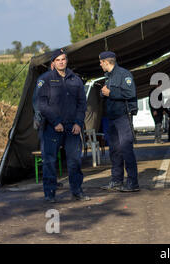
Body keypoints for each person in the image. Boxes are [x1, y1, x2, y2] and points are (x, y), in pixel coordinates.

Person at [37, 49, 89, 203]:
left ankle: (77, 191)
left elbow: (82, 104)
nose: (61, 62)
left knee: (74, 161)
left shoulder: (76, 80)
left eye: (63, 59)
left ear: (67, 61)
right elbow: (42, 105)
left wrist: (78, 123)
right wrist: (55, 122)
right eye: (58, 60)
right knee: (49, 161)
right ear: (53, 62)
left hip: (72, 127)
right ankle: (50, 194)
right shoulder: (45, 79)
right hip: (52, 128)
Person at [98, 51, 140, 192]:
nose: (100, 64)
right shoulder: (108, 76)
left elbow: (130, 93)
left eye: (101, 62)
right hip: (112, 118)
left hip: (123, 117)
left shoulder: (124, 74)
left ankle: (133, 183)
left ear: (106, 62)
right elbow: (107, 93)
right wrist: (103, 92)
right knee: (115, 151)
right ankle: (116, 180)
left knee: (126, 149)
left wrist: (111, 93)